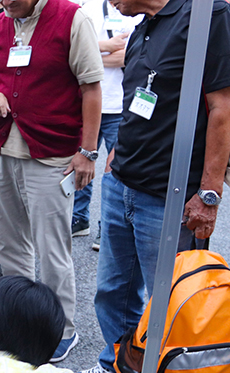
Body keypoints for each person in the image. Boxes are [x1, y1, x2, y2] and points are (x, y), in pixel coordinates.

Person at [75, 0, 230, 373]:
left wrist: (209, 193)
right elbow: (139, 98)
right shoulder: (144, 26)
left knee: (164, 302)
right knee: (112, 289)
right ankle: (117, 367)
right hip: (123, 180)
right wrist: (116, 151)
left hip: (171, 195)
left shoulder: (208, 16)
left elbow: (223, 107)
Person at [0, 0, 104, 362]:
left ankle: (61, 328)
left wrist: (88, 152)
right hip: (3, 149)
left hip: (52, 153)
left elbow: (92, 88)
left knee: (52, 249)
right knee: (9, 241)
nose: (5, 3)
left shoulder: (70, 18)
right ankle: (19, 322)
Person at [72, 0, 141, 248]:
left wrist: (92, 54)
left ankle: (109, 229)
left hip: (121, 105)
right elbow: (72, 51)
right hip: (89, 104)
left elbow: (133, 57)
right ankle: (78, 219)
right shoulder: (88, 8)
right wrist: (106, 48)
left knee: (117, 172)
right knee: (79, 162)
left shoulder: (137, 10)